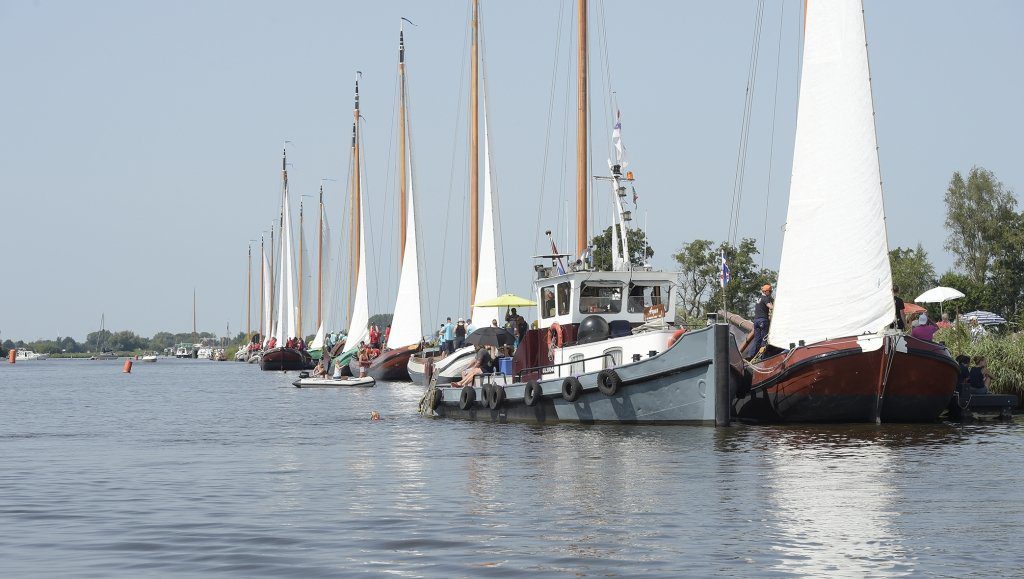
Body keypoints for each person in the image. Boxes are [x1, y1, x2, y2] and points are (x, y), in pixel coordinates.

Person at [746, 284, 774, 358]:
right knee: (764, 339)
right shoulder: (765, 298)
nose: (770, 293)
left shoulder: (759, 298)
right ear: (766, 291)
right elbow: (770, 307)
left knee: (757, 339)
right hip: (763, 320)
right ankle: (763, 357)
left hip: (756, 321)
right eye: (770, 291)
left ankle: (750, 355)